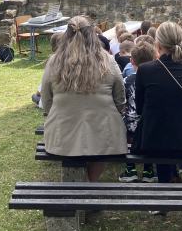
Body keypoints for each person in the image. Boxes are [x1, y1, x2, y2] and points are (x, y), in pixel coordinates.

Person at [40, 16, 127, 182]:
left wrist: (57, 113)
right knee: (100, 151)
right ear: (92, 34)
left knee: (76, 151)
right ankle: (89, 186)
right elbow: (120, 98)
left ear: (66, 35)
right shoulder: (108, 61)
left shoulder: (54, 62)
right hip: (102, 130)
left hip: (63, 131)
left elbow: (46, 98)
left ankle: (85, 187)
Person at [131, 23, 182, 185]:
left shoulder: (144, 70)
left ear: (158, 44)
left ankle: (165, 184)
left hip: (153, 141)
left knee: (162, 140)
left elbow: (141, 108)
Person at [119, 41, 159, 183]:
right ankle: (148, 169)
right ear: (154, 59)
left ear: (132, 61)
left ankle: (130, 168)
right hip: (151, 125)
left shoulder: (126, 80)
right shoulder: (157, 80)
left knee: (123, 123)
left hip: (130, 127)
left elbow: (122, 106)